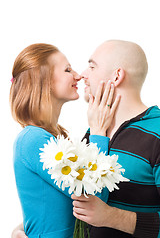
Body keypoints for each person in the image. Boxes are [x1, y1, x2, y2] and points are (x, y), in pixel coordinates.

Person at [10, 43, 119, 238]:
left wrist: (19, 229)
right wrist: (99, 132)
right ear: (43, 81)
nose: (78, 76)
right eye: (68, 70)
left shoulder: (49, 137)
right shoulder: (34, 140)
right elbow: (95, 200)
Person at [71, 40, 160, 238]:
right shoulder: (95, 131)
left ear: (117, 76)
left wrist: (112, 217)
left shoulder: (157, 133)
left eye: (92, 66)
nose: (83, 74)